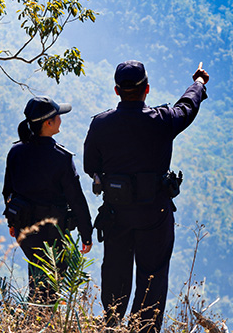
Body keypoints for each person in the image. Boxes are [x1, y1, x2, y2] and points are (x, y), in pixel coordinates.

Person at [84, 60, 209, 333]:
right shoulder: (162, 121)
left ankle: (112, 323)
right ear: (147, 89)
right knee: (152, 274)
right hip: (155, 212)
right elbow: (187, 107)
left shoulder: (100, 124)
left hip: (115, 213)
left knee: (115, 270)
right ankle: (144, 329)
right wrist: (198, 83)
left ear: (117, 91)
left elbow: (90, 166)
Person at [2, 96, 93, 306]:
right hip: (54, 232)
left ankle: (33, 320)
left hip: (24, 228)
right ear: (48, 123)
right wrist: (86, 234)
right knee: (52, 285)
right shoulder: (61, 158)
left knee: (37, 277)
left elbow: (8, 191)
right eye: (57, 116)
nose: (61, 119)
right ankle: (41, 322)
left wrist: (12, 224)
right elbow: (76, 200)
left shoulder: (16, 152)